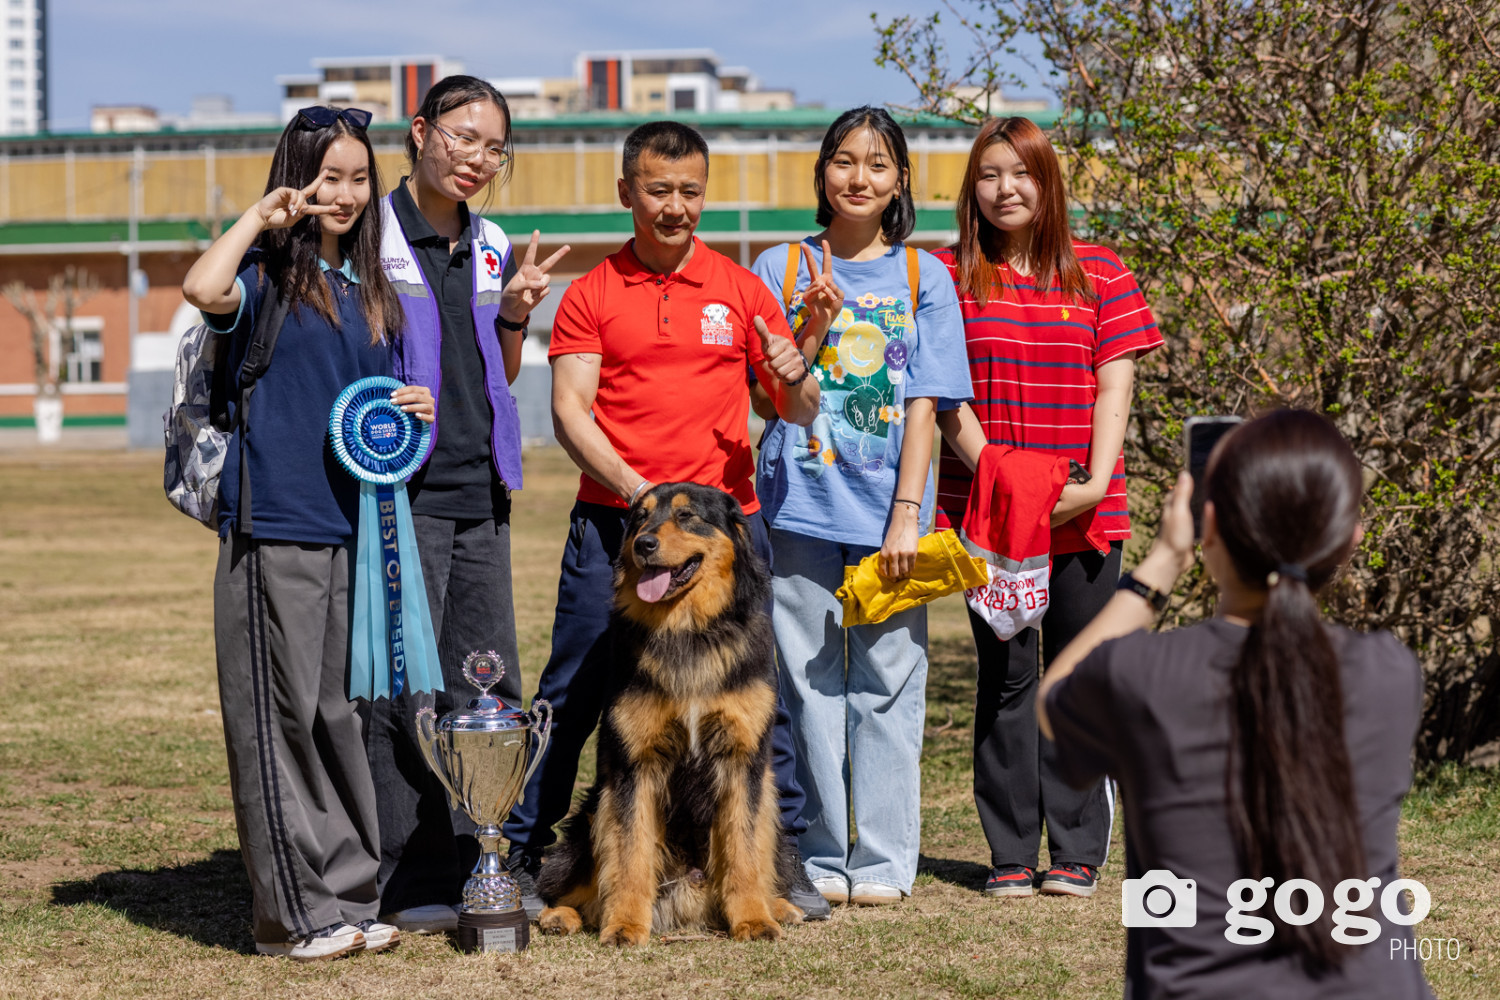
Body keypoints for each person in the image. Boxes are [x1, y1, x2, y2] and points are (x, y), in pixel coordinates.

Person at [502, 120, 831, 920]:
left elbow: (792, 405)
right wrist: (641, 494)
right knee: (573, 693)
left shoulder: (742, 289)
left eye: (690, 191)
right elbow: (570, 410)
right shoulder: (591, 293)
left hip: (724, 535)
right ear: (627, 193)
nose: (676, 207)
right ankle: (511, 851)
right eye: (658, 190)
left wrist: (801, 363)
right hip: (614, 529)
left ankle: (779, 868)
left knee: (759, 706)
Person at [1038, 410, 1434, 999]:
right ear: (1350, 539)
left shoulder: (1144, 675)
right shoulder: (1390, 674)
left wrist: (1159, 567)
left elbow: (1053, 702)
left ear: (1209, 526)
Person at [182, 106, 434, 961]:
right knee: (279, 719)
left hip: (351, 532)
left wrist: (413, 409)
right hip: (273, 526)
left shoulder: (373, 295)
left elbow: (366, 414)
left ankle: (352, 895)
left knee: (335, 713)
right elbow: (201, 289)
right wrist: (260, 217)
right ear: (297, 175)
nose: (346, 193)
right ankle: (297, 915)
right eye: (329, 176)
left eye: (360, 178)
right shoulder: (260, 279)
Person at [934, 116, 1163, 899]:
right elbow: (943, 395)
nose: (1006, 189)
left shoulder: (1100, 272)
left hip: (1087, 513)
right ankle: (1007, 851)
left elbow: (1115, 381)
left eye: (1021, 173)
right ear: (974, 189)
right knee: (1004, 677)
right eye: (990, 175)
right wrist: (999, 476)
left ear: (1048, 180)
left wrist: (1095, 483)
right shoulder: (946, 276)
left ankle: (1075, 850)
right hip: (989, 514)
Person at [749, 106, 972, 906]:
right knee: (807, 685)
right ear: (822, 174)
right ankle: (818, 855)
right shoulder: (778, 266)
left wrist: (909, 510)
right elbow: (772, 395)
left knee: (887, 679)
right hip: (796, 507)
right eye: (844, 162)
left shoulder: (925, 277)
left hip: (889, 515)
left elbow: (926, 404)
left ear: (900, 182)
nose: (859, 178)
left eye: (878, 165)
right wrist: (808, 329)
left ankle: (879, 862)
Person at [364, 75, 570, 934]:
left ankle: (485, 856)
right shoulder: (369, 235)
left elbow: (498, 376)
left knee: (485, 685)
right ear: (420, 132)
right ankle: (410, 874)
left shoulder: (489, 247)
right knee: (404, 686)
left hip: (480, 494)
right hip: (399, 496)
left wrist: (517, 314)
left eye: (494, 147)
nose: (478, 158)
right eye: (463, 136)